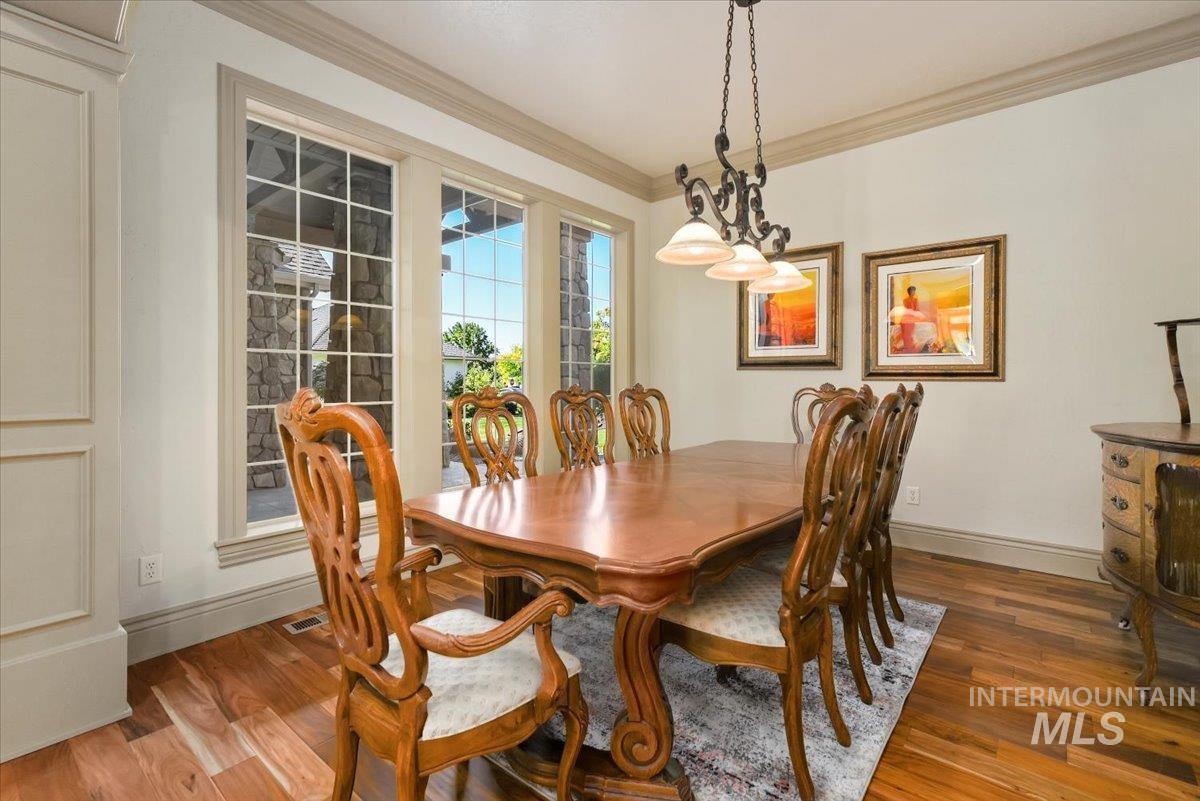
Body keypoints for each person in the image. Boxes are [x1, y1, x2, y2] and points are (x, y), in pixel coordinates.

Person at [900, 285, 920, 352]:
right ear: (909, 292)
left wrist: (914, 312)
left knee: (910, 324)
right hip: (907, 316)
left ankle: (910, 345)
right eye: (911, 291)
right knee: (904, 324)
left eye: (914, 291)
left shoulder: (916, 300)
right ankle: (907, 345)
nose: (913, 292)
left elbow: (917, 309)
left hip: (913, 316)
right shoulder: (905, 300)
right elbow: (906, 309)